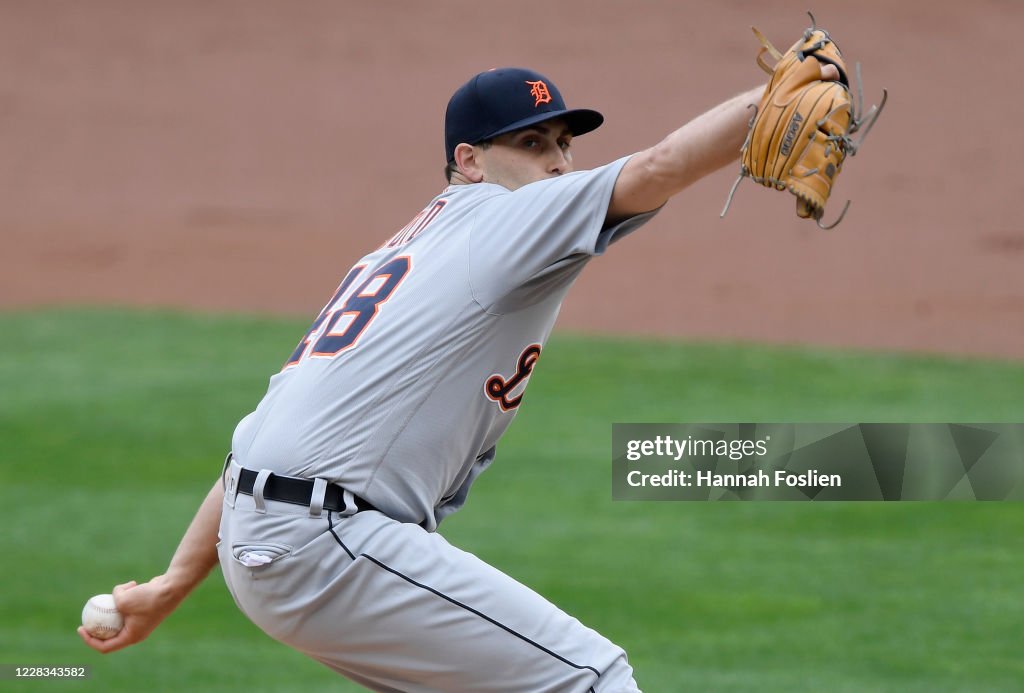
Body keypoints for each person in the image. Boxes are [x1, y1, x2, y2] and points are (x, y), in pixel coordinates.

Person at [81, 64, 838, 691]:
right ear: (470, 161)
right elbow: (657, 167)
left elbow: (270, 437)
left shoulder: (401, 252)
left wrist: (175, 580)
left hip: (280, 543)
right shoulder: (503, 221)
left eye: (564, 143)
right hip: (326, 543)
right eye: (533, 142)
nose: (557, 162)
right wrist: (766, 100)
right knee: (593, 678)